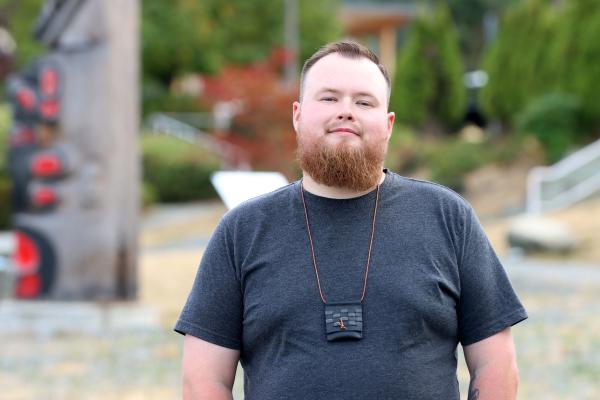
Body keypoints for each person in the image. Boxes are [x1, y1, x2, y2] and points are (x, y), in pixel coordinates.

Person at [175, 40, 527, 400]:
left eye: (364, 102)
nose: (346, 111)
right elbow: (204, 380)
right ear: (297, 115)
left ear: (388, 123)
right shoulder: (242, 231)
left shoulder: (449, 218)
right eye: (328, 98)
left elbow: (496, 365)